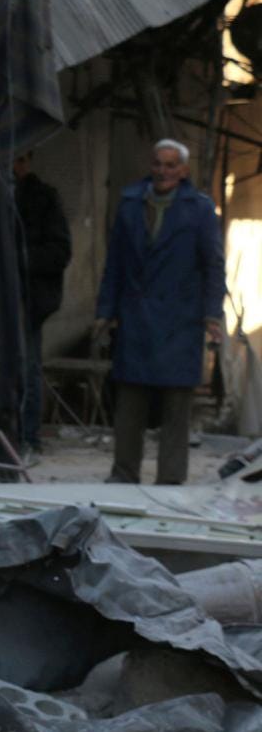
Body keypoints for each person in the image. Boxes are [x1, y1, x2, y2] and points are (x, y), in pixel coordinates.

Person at [95, 139, 225, 484]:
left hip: (180, 319)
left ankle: (170, 479)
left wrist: (213, 315)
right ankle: (124, 473)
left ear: (183, 171)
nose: (163, 171)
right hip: (137, 317)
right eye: (158, 164)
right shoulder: (130, 204)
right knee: (130, 403)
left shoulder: (198, 209)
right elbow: (115, 264)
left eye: (171, 165)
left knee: (175, 406)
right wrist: (105, 310)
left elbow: (213, 265)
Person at [13, 150, 71, 463]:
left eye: (19, 158)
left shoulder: (44, 199)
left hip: (29, 300)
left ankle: (27, 438)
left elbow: (59, 251)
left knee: (27, 369)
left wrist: (19, 260)